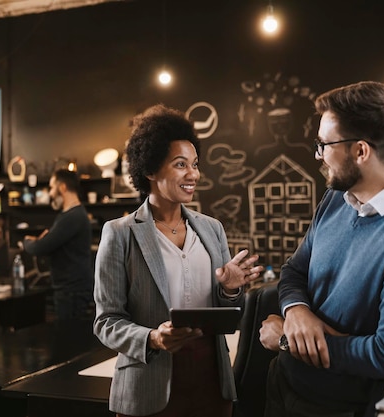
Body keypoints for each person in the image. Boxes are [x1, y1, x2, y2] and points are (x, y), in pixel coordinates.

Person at [259, 81, 384, 417]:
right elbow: (294, 270)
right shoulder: (337, 198)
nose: (318, 155)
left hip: (336, 407)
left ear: (361, 151)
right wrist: (297, 312)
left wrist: (288, 341)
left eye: (324, 144)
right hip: (283, 385)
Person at [93, 104, 263, 417]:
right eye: (180, 164)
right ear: (150, 170)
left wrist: (228, 290)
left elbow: (227, 316)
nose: (193, 175)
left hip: (211, 380)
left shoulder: (212, 229)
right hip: (148, 384)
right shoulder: (120, 233)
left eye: (195, 165)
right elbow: (106, 322)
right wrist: (153, 338)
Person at [23, 168, 94, 320]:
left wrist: (27, 241)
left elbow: (40, 248)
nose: (50, 193)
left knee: (69, 339)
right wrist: (41, 241)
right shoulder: (71, 215)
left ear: (62, 187)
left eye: (51, 187)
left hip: (72, 291)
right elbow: (50, 242)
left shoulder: (72, 217)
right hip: (71, 289)